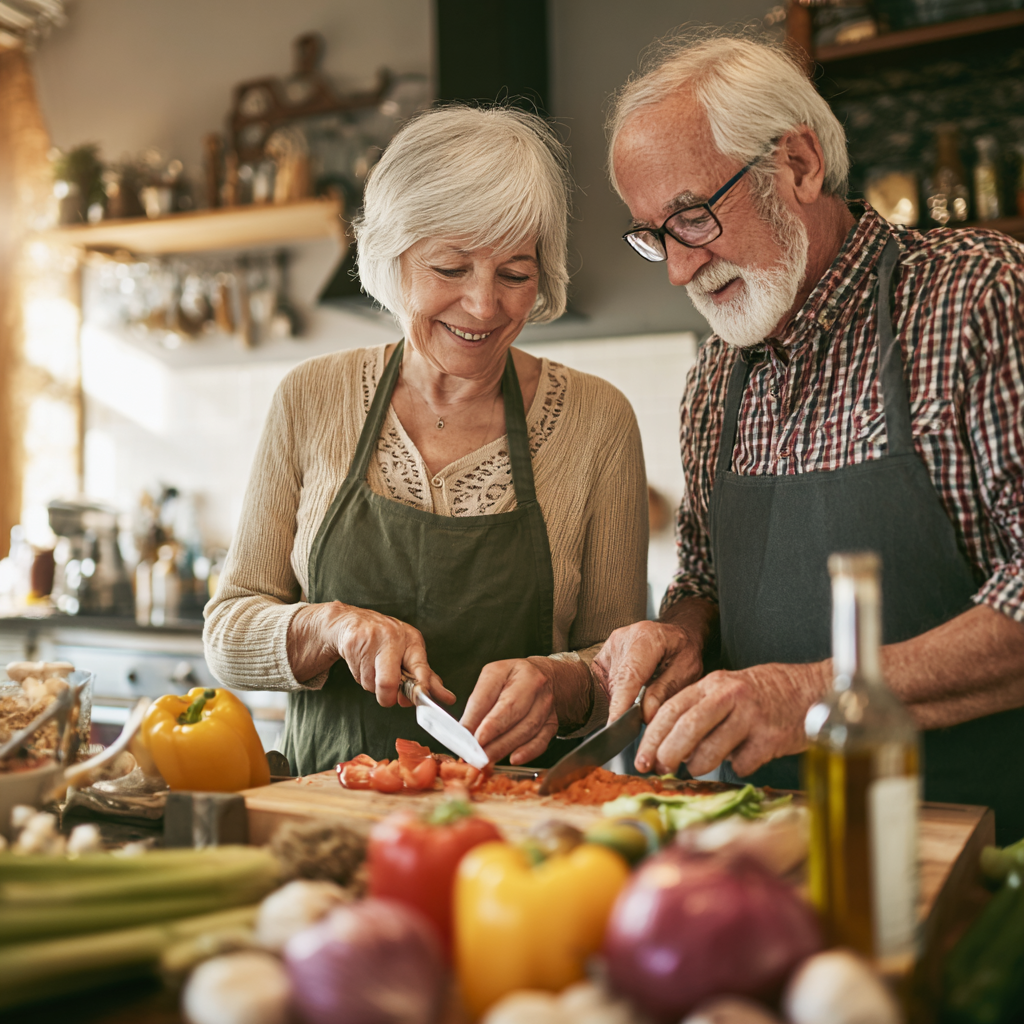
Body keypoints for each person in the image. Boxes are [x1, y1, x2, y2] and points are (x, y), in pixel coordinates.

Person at [593, 32, 1024, 841]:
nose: (680, 271)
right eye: (655, 236)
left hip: (981, 848)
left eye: (692, 216)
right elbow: (705, 580)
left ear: (797, 163)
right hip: (772, 846)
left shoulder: (979, 298)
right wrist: (675, 633)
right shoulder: (714, 382)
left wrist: (811, 698)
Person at [204, 105, 648, 776]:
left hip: (512, 832)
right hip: (324, 809)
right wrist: (332, 627)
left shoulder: (598, 421)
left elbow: (622, 671)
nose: (483, 306)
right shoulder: (311, 396)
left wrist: (561, 684)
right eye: (450, 268)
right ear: (393, 257)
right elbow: (227, 634)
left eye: (515, 274)